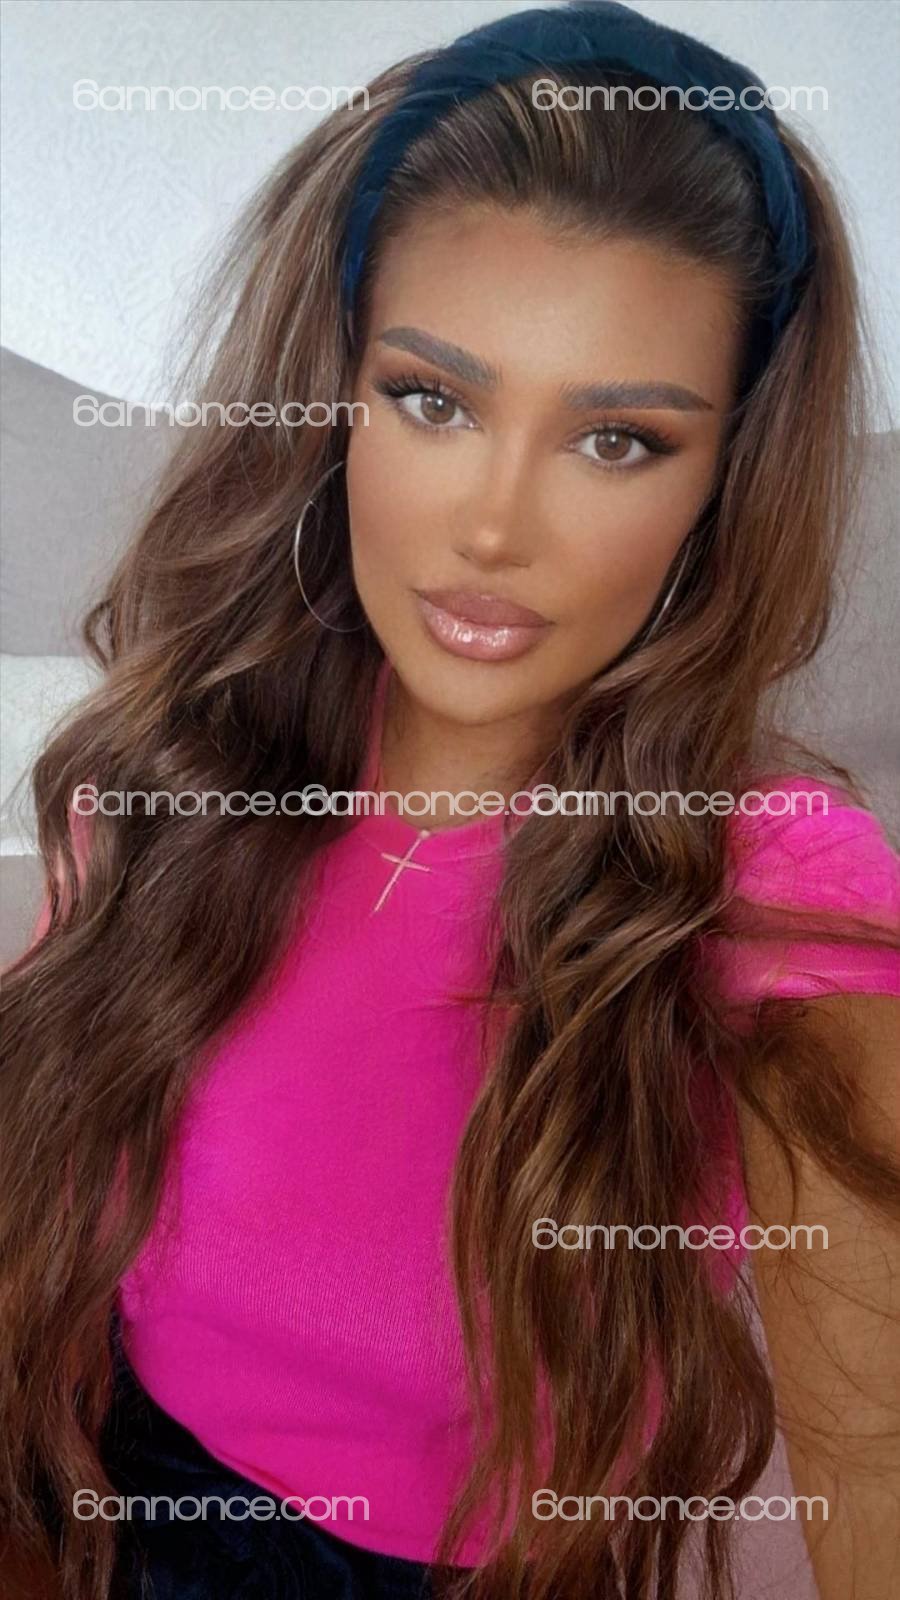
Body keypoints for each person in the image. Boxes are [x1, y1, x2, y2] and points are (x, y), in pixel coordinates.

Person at [2, 4, 898, 1598]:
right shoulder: (179, 777)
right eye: (432, 399)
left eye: (617, 438)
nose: (494, 527)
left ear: (722, 481)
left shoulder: (773, 891)